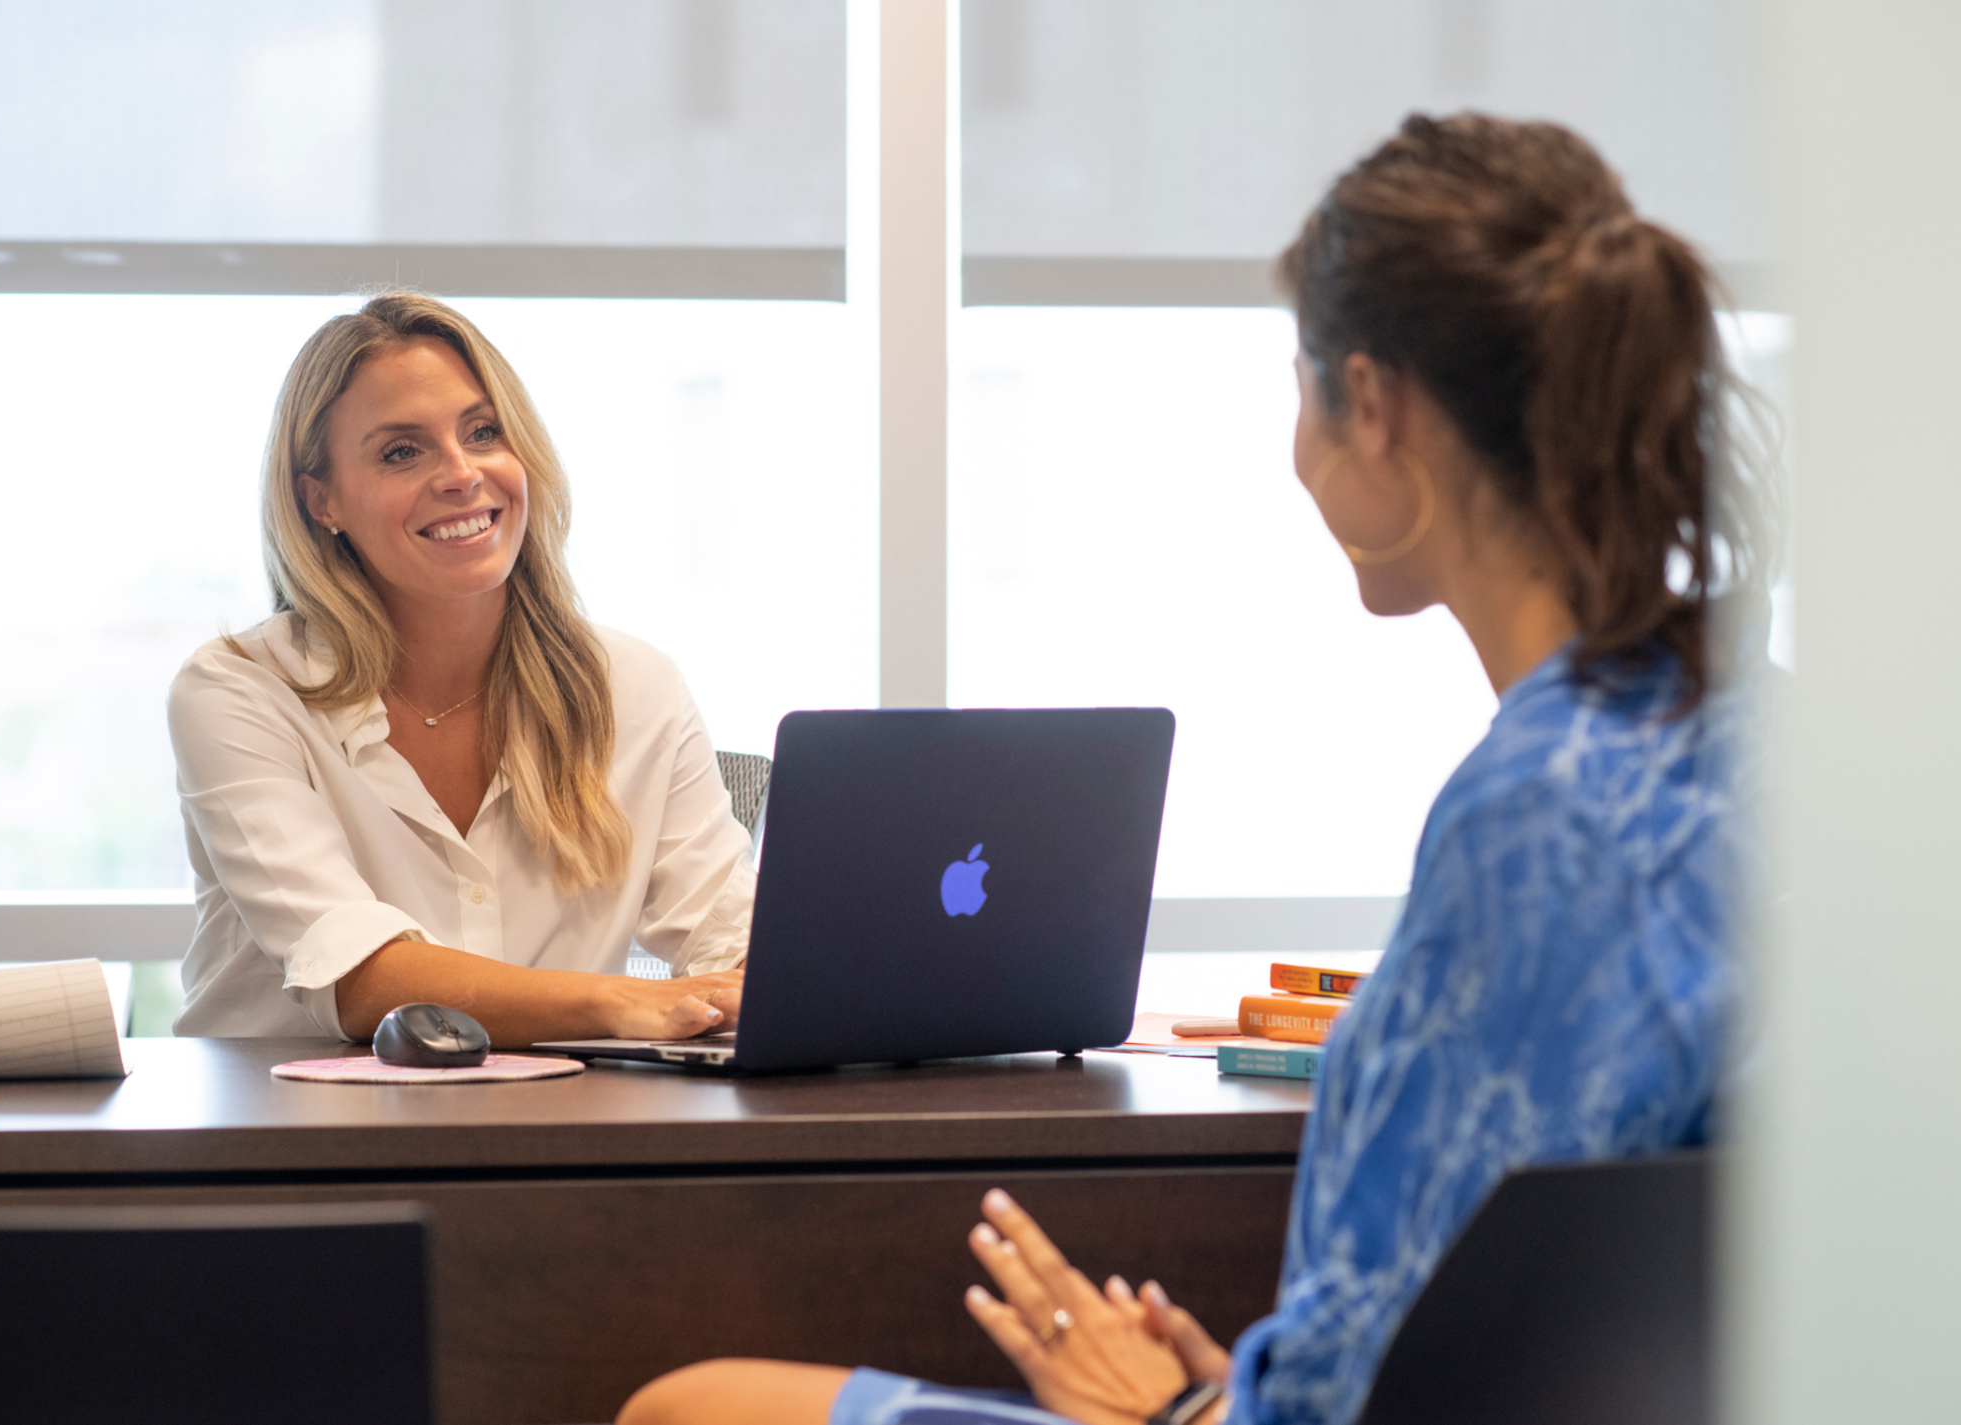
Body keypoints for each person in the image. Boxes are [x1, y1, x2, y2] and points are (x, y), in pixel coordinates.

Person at [616, 112, 1772, 1425]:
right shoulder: (1751, 737)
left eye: (1302, 384)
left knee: (693, 1405)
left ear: (1376, 404)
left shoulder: (1538, 815)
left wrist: (1178, 1411)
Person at [169, 293, 752, 1044]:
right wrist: (616, 1002)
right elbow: (358, 977)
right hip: (289, 1140)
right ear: (322, 501)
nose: (462, 473)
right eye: (401, 452)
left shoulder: (635, 687)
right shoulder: (239, 690)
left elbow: (730, 940)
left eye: (483, 432)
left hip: (553, 1132)